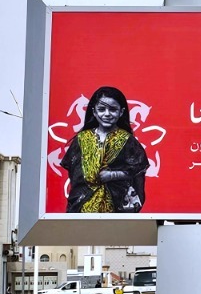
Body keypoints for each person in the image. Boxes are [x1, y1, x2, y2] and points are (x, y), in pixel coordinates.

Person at [60, 85, 149, 213]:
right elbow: (75, 175)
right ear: (94, 112)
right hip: (83, 207)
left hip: (117, 208)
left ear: (121, 112)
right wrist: (91, 177)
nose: (107, 114)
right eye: (101, 109)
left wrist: (112, 175)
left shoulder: (128, 141)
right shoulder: (82, 139)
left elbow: (137, 172)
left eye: (113, 109)